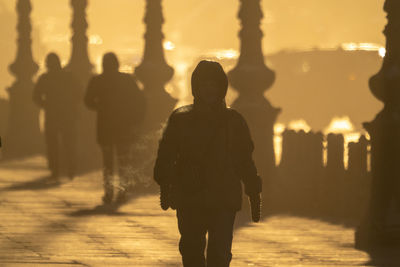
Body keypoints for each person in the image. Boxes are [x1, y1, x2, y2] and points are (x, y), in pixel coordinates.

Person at [154, 60, 262, 267]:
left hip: (223, 197)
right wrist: (164, 180)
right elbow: (167, 153)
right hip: (190, 195)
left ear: (222, 87)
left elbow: (244, 159)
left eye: (214, 84)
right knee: (191, 250)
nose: (209, 89)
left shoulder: (234, 121)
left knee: (219, 254)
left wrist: (253, 188)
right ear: (197, 87)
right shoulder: (181, 119)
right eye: (205, 84)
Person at [85, 52, 146, 205]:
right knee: (123, 160)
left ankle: (109, 192)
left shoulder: (98, 80)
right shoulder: (126, 80)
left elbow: (87, 101)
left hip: (105, 126)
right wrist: (136, 120)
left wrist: (99, 106)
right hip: (123, 127)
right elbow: (140, 100)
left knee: (108, 163)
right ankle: (122, 192)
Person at [33, 53, 79, 179]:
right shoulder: (68, 76)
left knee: (52, 144)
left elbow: (36, 96)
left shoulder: (45, 78)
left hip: (52, 114)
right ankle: (71, 169)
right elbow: (79, 93)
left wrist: (46, 105)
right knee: (69, 143)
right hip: (67, 114)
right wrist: (72, 106)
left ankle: (55, 169)